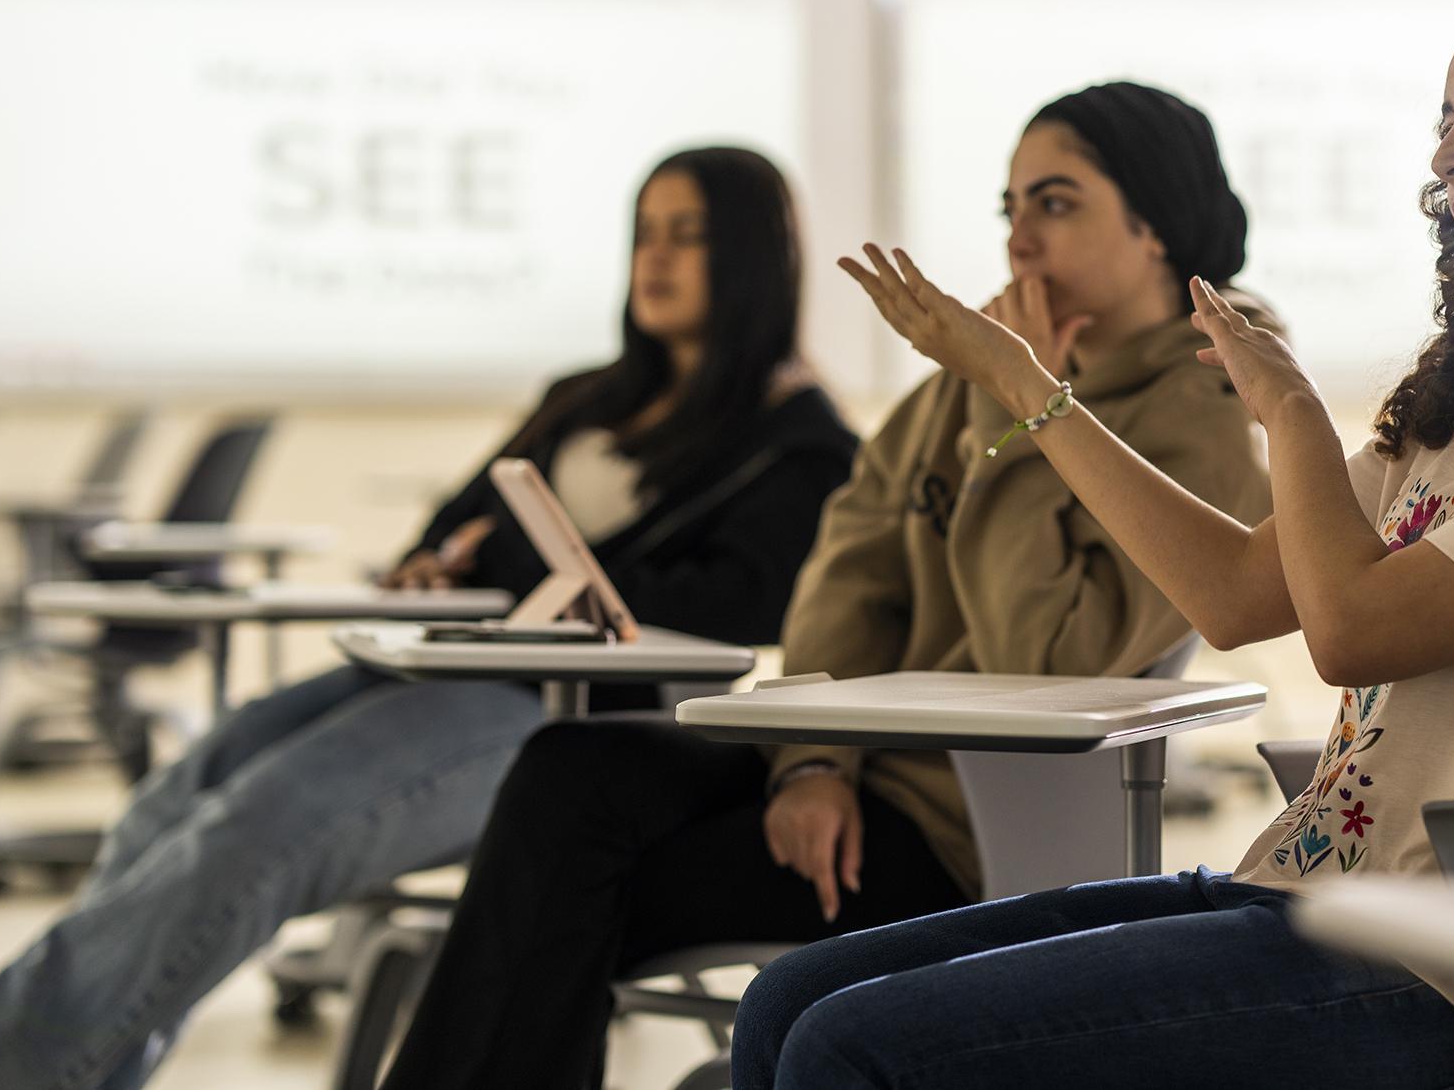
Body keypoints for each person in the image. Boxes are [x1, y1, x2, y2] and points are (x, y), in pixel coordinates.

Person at [733, 0, 1454, 1089]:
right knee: (786, 1004)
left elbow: (1350, 632)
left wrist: (1293, 414)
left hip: (1442, 968)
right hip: (1310, 899)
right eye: (1446, 115)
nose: (1448, 152)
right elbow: (1230, 591)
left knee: (846, 1046)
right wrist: (1028, 387)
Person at [375, 81, 1278, 1090]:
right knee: (568, 770)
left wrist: (1024, 414)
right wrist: (811, 760)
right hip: (860, 770)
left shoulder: (1202, 416)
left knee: (556, 898)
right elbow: (848, 571)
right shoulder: (970, 376)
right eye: (1008, 208)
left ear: (1153, 227)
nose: (1018, 240)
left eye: (1054, 204)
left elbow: (1045, 660)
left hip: (969, 821)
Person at [0, 146, 858, 1090]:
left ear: (751, 255)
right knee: (181, 790)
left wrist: (543, 578)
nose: (655, 259)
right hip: (449, 665)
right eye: (645, 234)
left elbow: (741, 604)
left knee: (260, 827)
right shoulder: (584, 396)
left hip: (570, 715)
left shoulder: (801, 443)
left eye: (688, 235)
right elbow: (459, 520)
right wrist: (439, 562)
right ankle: (56, 1061)